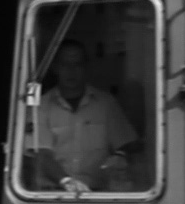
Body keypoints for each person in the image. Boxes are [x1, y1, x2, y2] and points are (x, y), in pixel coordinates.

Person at [28, 40, 140, 193]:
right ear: (55, 68)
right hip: (53, 194)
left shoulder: (105, 103)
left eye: (77, 64)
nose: (71, 71)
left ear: (86, 67)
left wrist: (120, 156)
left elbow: (126, 144)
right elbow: (41, 154)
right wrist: (66, 181)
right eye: (65, 65)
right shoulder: (41, 106)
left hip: (98, 194)